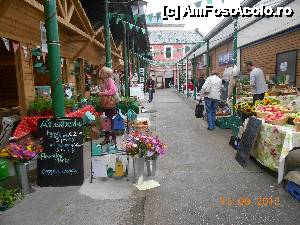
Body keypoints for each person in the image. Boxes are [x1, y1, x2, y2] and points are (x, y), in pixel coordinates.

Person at [98, 67, 118, 145]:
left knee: (111, 122)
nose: (100, 73)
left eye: (101, 72)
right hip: (105, 104)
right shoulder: (104, 80)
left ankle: (113, 139)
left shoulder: (110, 80)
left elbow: (113, 91)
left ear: (105, 74)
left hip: (110, 105)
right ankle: (107, 138)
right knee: (105, 121)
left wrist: (102, 93)